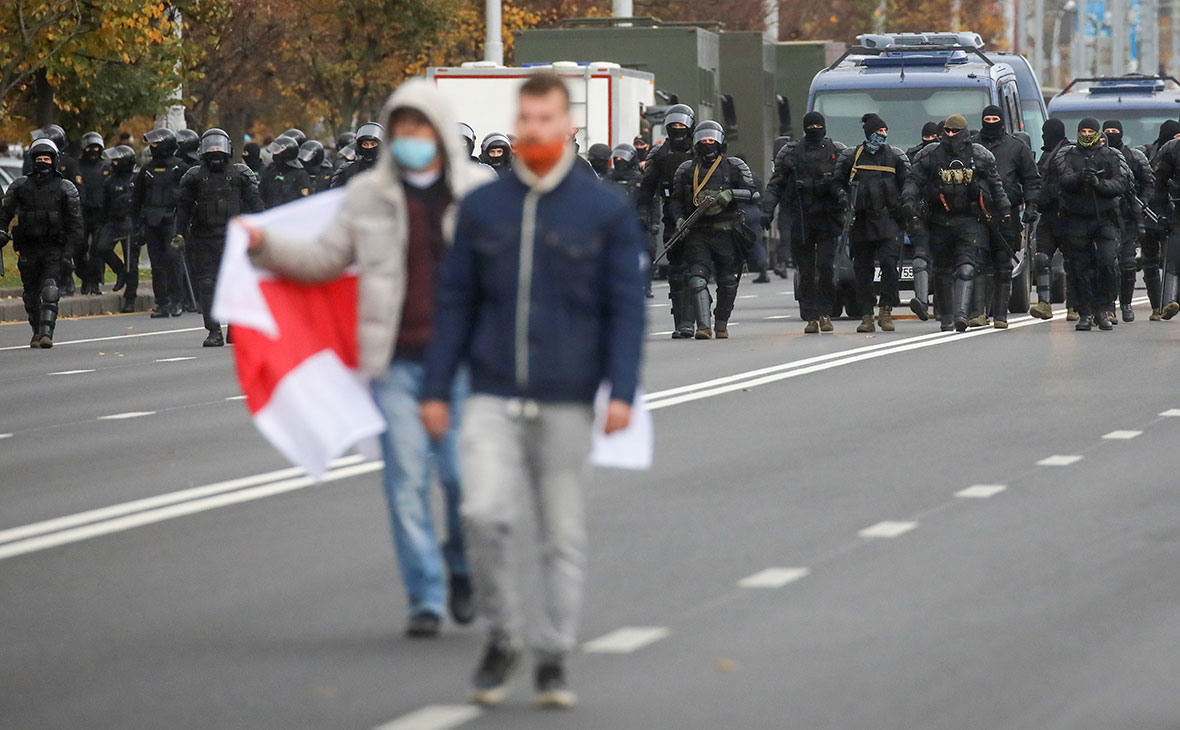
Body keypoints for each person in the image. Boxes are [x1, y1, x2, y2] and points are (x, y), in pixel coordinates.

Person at [420, 72, 646, 709]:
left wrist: (622, 391)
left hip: (567, 397)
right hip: (490, 392)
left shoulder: (603, 211)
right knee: (482, 515)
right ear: (518, 126)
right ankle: (504, 636)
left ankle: (552, 652)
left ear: (568, 126)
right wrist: (436, 387)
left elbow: (625, 309)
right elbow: (456, 302)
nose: (536, 131)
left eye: (549, 120)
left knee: (561, 536)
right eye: (528, 120)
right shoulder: (485, 209)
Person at [243, 80, 493, 640]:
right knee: (405, 480)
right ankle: (425, 596)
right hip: (397, 363)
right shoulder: (367, 195)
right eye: (400, 128)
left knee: (461, 480)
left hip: (462, 363)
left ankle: (461, 568)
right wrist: (263, 244)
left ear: (440, 131)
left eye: (420, 127)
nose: (410, 138)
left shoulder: (479, 191)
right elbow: (321, 260)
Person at [902, 114, 1010, 332]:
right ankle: (946, 317)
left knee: (966, 267)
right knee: (941, 269)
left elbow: (995, 184)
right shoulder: (930, 154)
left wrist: (1005, 210)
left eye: (954, 132)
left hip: (970, 219)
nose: (950, 135)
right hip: (939, 219)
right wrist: (908, 200)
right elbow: (914, 180)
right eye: (947, 131)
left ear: (964, 133)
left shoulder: (979, 155)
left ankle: (962, 315)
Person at [669, 120, 759, 339]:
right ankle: (703, 326)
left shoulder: (734, 166)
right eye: (703, 140)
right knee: (696, 278)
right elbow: (676, 200)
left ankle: (721, 322)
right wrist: (680, 219)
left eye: (711, 140)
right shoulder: (687, 169)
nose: (707, 144)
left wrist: (731, 194)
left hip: (728, 232)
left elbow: (754, 193)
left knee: (728, 282)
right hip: (698, 232)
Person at [174, 128, 263, 346]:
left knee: (234, 285)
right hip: (204, 239)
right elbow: (183, 208)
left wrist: (259, 232)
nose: (215, 151)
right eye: (210, 146)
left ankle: (235, 327)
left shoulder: (239, 175)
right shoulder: (194, 176)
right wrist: (179, 233)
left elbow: (256, 206)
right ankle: (213, 330)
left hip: (233, 240)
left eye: (218, 146)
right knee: (207, 285)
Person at [762, 111, 846, 333]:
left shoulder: (836, 152)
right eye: (812, 126)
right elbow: (776, 185)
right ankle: (811, 316)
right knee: (806, 271)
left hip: (828, 219)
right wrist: (767, 209)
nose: (815, 130)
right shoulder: (790, 154)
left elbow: (849, 181)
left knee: (826, 267)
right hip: (801, 219)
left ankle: (826, 313)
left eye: (819, 126)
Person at [0, 138, 84, 348]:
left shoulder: (66, 188)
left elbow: (75, 225)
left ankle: (47, 333)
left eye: (47, 158)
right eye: (39, 158)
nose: (43, 162)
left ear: (54, 161)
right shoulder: (20, 186)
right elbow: (5, 213)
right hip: (28, 246)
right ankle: (36, 331)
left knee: (50, 289)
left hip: (54, 247)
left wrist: (68, 253)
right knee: (30, 293)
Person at [834, 113, 909, 332]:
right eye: (879, 131)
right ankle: (867, 314)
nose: (883, 135)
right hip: (862, 221)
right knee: (863, 270)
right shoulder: (852, 158)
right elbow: (836, 183)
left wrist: (907, 209)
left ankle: (886, 310)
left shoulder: (894, 158)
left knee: (889, 266)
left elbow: (908, 185)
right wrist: (843, 197)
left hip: (888, 221)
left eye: (885, 131)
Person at [968, 105, 1041, 329]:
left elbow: (1031, 179)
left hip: (1006, 214)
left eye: (995, 118)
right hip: (976, 214)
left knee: (1003, 264)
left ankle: (1000, 315)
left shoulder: (1016, 147)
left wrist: (1031, 206)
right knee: (979, 263)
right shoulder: (971, 147)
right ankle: (979, 313)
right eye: (987, 118)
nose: (991, 122)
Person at [1057, 118, 1127, 330]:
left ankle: (1104, 307)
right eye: (1083, 130)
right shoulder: (1068, 155)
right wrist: (1079, 178)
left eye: (1090, 131)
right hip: (1077, 218)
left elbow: (1121, 183)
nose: (1086, 134)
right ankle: (1085, 312)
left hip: (1105, 218)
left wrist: (1099, 183)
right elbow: (1063, 179)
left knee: (1107, 262)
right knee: (1080, 267)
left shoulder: (1112, 155)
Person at [637, 103, 697, 336]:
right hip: (673, 217)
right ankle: (681, 321)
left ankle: (697, 319)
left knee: (697, 268)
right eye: (673, 125)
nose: (677, 129)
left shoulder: (701, 149)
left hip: (700, 217)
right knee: (677, 269)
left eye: (681, 125)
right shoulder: (660, 155)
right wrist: (642, 212)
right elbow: (646, 189)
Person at [130, 128, 186, 317]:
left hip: (172, 220)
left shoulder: (180, 168)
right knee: (157, 264)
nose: (152, 147)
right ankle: (162, 302)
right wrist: (137, 226)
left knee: (173, 260)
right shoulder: (147, 170)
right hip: (152, 221)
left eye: (156, 144)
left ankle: (177, 300)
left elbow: (189, 197)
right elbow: (137, 199)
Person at [1104, 119, 1154, 323]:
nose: (1111, 134)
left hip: (1128, 218)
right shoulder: (1099, 156)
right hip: (1106, 217)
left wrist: (1141, 204)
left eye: (1115, 131)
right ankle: (1108, 306)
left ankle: (1126, 303)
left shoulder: (1135, 157)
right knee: (1108, 263)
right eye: (1107, 131)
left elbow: (1149, 183)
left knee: (1127, 264)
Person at [1030, 118, 1073, 320]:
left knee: (1074, 262)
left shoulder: (1070, 154)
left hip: (1069, 216)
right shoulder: (1045, 157)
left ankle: (1075, 306)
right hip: (1048, 216)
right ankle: (1044, 304)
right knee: (1041, 258)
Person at [1137, 120, 1180, 320]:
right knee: (1163, 262)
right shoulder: (1166, 152)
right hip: (1164, 216)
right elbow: (1157, 183)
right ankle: (1162, 304)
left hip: (1168, 216)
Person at [96, 145, 137, 294]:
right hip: (113, 222)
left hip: (131, 222)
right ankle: (120, 271)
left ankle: (130, 295)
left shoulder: (136, 179)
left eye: (117, 160)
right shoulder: (110, 181)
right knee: (102, 247)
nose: (114, 163)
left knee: (131, 262)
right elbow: (104, 204)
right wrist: (102, 223)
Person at [77, 131, 110, 295]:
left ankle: (96, 281)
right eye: (90, 147)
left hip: (99, 213)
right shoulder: (77, 166)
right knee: (80, 247)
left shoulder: (105, 167)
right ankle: (84, 278)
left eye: (96, 147)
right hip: (81, 212)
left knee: (97, 249)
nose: (93, 151)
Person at [260, 135, 311, 208]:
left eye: (277, 151)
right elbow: (261, 192)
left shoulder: (300, 174)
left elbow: (305, 201)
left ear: (286, 153)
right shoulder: (271, 169)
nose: (274, 153)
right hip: (270, 213)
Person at [331, 122, 382, 188]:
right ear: (359, 146)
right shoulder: (348, 170)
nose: (369, 147)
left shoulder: (390, 170)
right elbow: (336, 194)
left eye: (373, 144)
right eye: (365, 144)